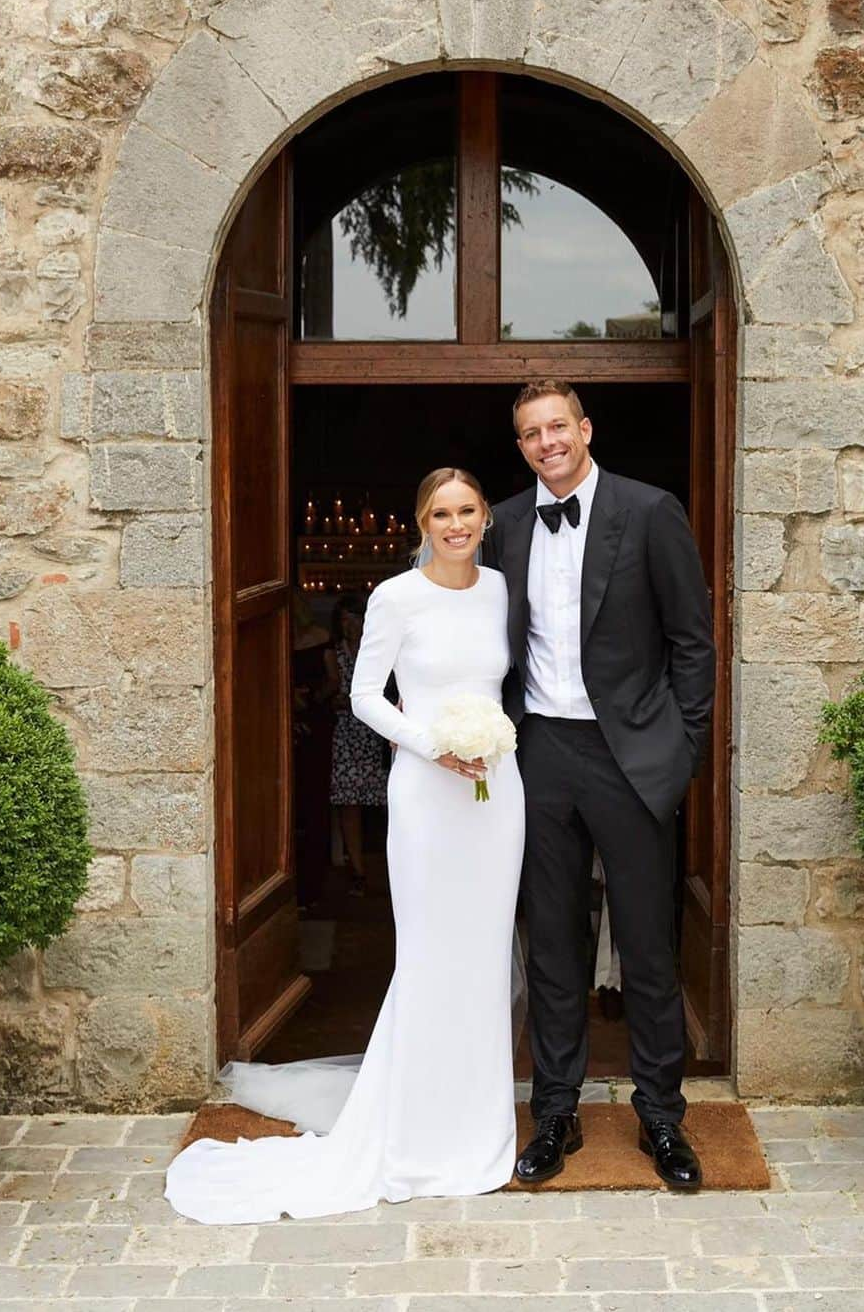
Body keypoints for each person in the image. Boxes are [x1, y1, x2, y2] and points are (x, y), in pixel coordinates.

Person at [164, 468, 524, 1223]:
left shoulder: (499, 590)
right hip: (429, 795)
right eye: (440, 513)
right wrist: (433, 744)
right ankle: (418, 1127)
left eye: (466, 511)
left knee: (486, 953)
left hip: (497, 795)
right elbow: (364, 697)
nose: (454, 524)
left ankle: (479, 1124)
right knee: (428, 955)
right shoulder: (396, 597)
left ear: (486, 517)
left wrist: (485, 745)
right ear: (421, 522)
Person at [482, 379, 715, 1192]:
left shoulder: (650, 511)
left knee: (648, 944)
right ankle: (556, 1112)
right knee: (552, 944)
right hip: (539, 751)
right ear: (519, 446)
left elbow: (693, 641)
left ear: (585, 429)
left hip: (633, 757)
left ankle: (661, 1116)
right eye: (530, 433)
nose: (547, 442)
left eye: (557, 426)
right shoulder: (504, 525)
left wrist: (682, 748)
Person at [325, 593, 387, 897]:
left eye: (358, 616)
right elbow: (333, 692)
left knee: (390, 802)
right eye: (346, 618)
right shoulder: (334, 653)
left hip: (378, 733)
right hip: (347, 735)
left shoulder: (379, 650)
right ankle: (358, 871)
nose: (353, 624)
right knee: (349, 803)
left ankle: (394, 872)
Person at [292, 590, 336, 913]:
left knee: (315, 802)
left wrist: (313, 698)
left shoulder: (321, 639)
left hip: (316, 724)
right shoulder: (279, 639)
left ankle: (314, 885)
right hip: (289, 726)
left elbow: (334, 680)